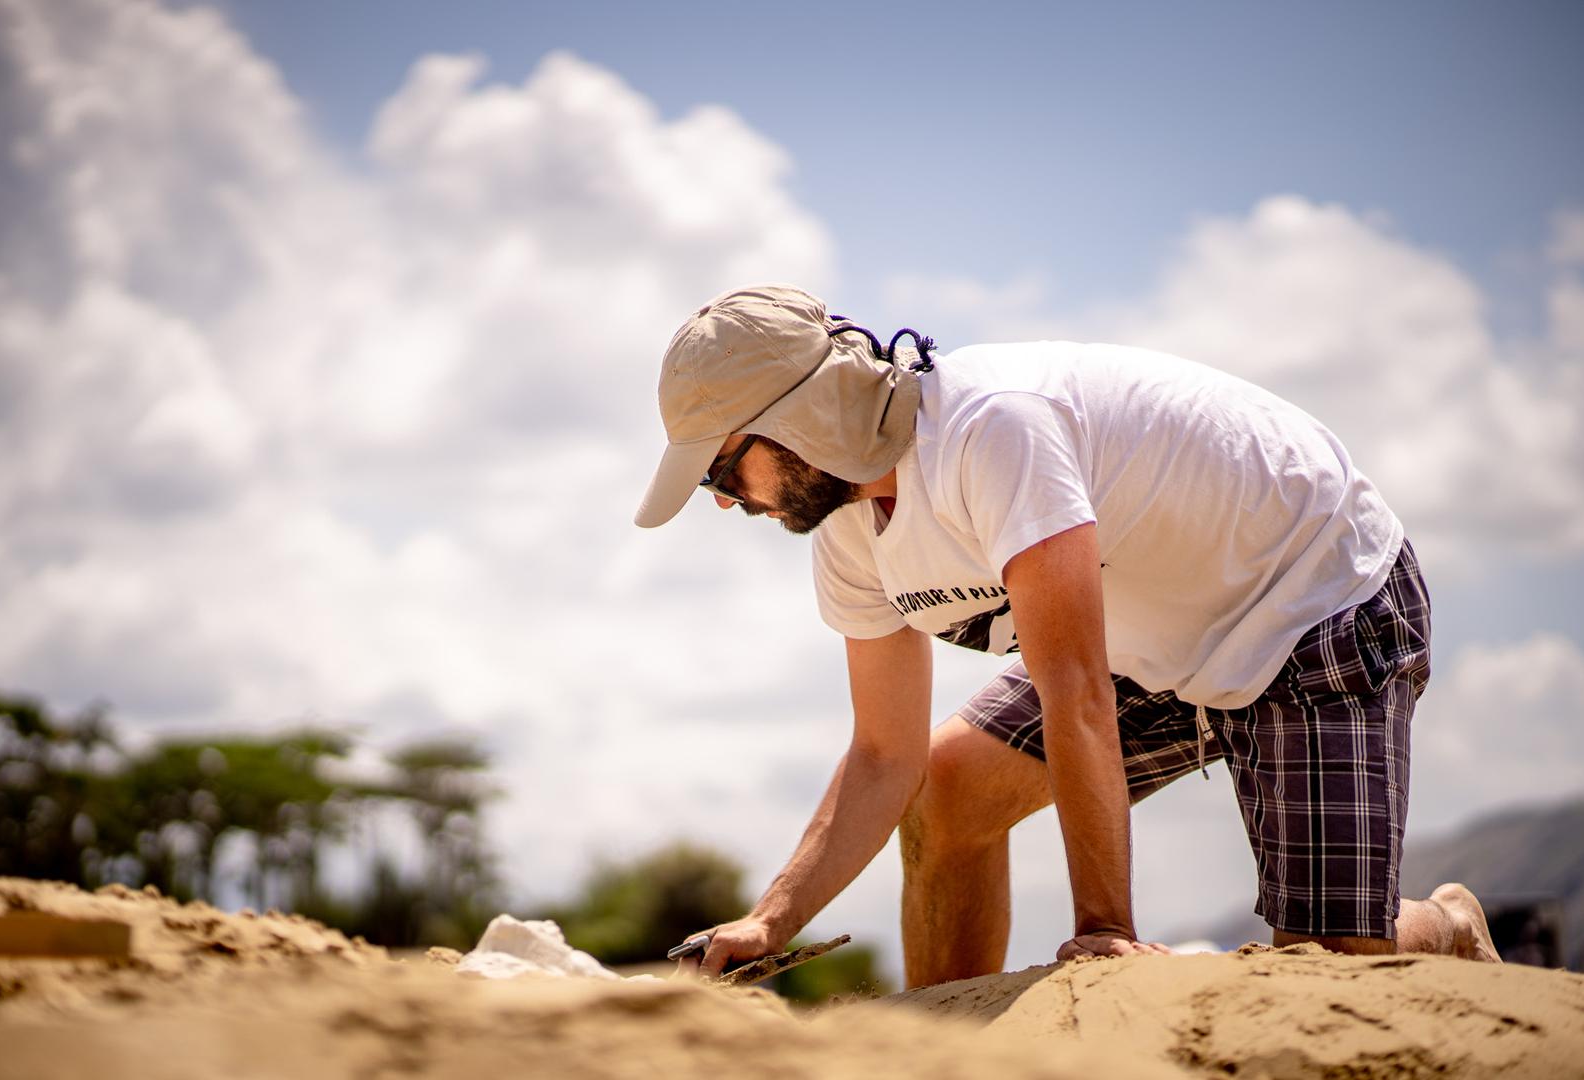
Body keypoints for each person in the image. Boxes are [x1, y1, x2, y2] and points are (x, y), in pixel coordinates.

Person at [634, 284, 1501, 987]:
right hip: (1140, 638)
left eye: (721, 468)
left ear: (799, 417)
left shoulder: (991, 431)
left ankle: (1445, 929)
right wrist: (770, 918)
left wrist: (1104, 932)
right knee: (945, 790)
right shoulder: (850, 536)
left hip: (1312, 602)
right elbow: (884, 756)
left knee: (1327, 973)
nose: (722, 499)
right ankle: (949, 1043)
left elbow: (1074, 691)